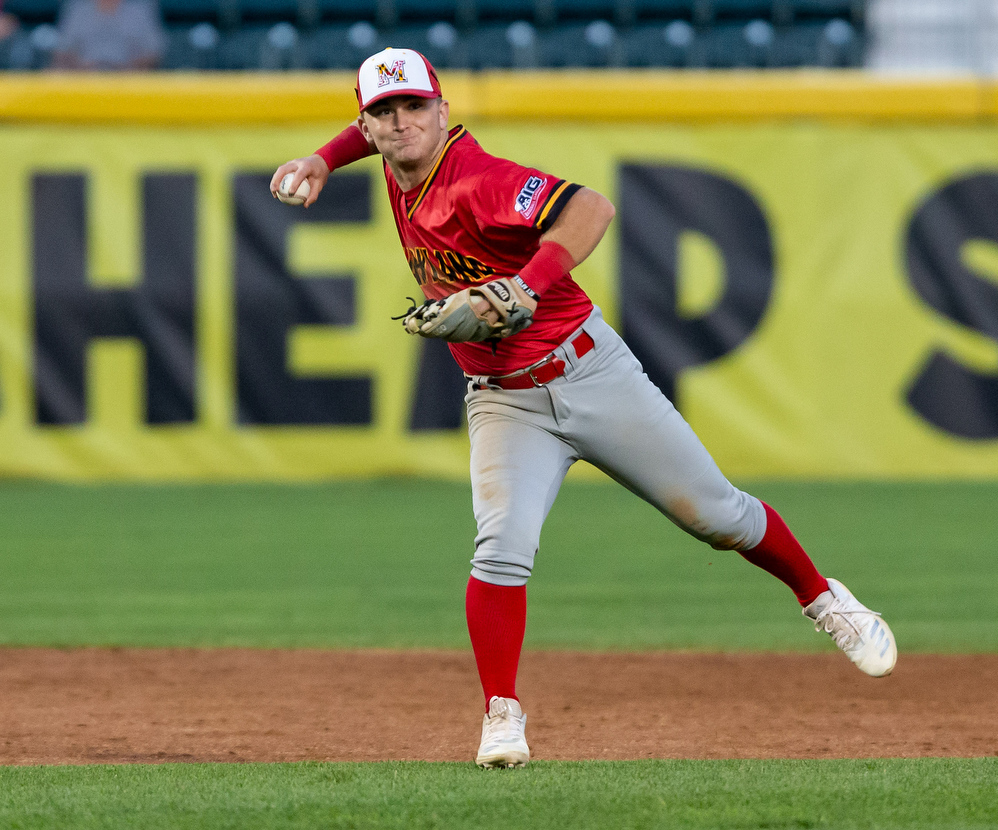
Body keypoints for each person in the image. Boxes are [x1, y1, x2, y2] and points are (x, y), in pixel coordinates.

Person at [271, 47, 897, 769]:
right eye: (385, 112)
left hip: (588, 368)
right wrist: (323, 158)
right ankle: (501, 714)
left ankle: (825, 600)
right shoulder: (394, 158)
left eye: (415, 106)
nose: (401, 122)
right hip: (505, 401)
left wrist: (526, 285)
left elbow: (591, 208)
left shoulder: (479, 179)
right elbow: (368, 136)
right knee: (501, 545)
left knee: (719, 517)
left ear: (445, 113)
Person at [51, 0, 165, 70]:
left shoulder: (141, 8)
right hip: (83, 83)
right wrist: (81, 68)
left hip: (130, 85)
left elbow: (153, 55)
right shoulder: (76, 8)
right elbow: (62, 52)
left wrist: (126, 69)